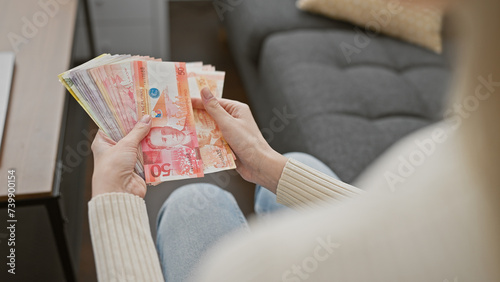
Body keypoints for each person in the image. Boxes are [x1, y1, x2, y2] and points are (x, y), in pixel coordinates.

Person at [87, 0, 500, 281]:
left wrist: (114, 201)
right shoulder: (457, 156)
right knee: (298, 162)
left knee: (192, 204)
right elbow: (394, 219)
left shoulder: (249, 266)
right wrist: (268, 164)